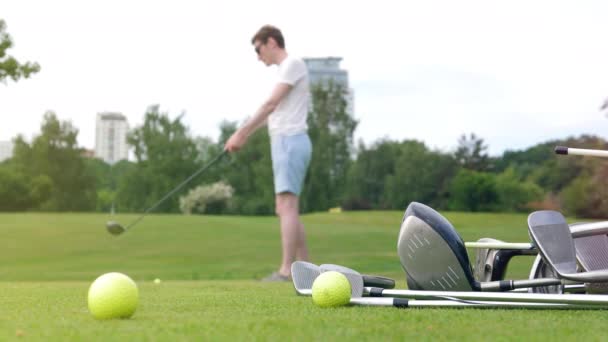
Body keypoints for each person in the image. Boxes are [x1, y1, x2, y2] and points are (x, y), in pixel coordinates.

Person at [224, 25, 312, 281]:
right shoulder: (287, 70)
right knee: (286, 207)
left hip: (290, 140)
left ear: (271, 42)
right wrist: (245, 135)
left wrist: (241, 133)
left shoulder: (292, 64)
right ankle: (307, 268)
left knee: (286, 205)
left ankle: (286, 271)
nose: (257, 55)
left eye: (258, 48)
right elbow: (273, 112)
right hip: (285, 141)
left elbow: (270, 104)